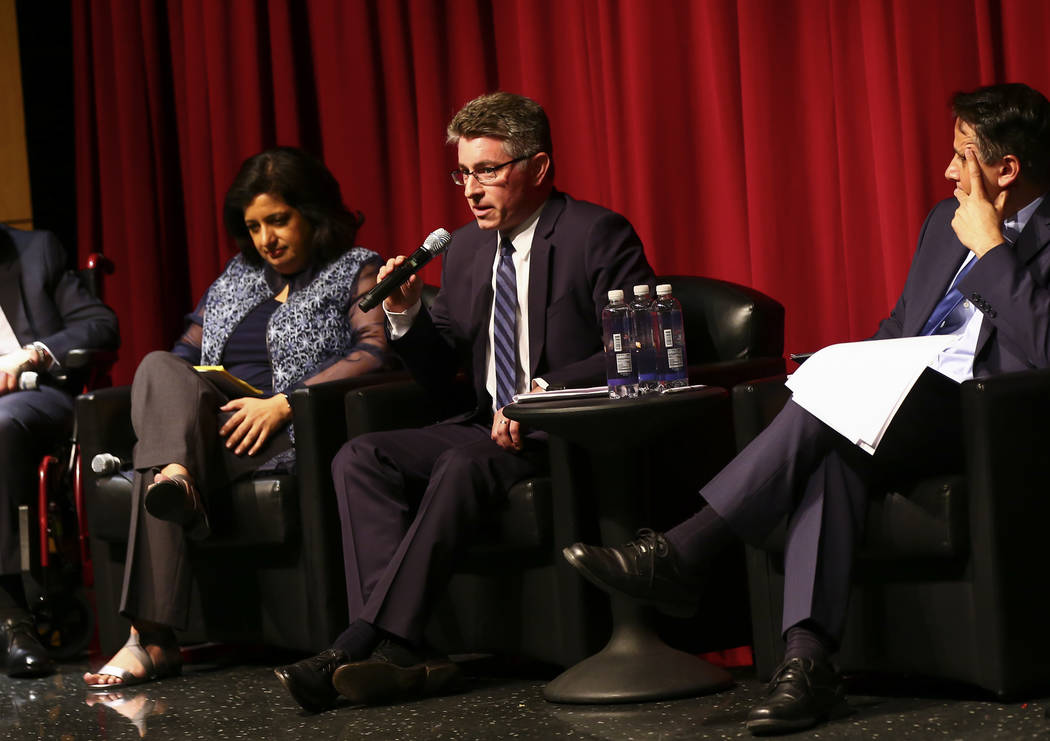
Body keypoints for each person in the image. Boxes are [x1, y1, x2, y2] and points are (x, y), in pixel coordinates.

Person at [561, 82, 1050, 736]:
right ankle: (807, 661)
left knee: (839, 410)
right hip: (901, 400)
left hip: (990, 417)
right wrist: (851, 359)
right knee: (836, 447)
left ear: (1006, 170)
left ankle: (686, 549)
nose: (949, 172)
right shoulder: (942, 220)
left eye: (963, 157)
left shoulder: (1019, 232)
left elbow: (1043, 346)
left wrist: (993, 250)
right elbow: (904, 325)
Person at [273, 91, 655, 712]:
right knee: (360, 457)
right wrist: (406, 317)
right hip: (484, 424)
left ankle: (364, 642)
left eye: (488, 171)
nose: (471, 190)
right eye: (464, 172)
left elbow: (635, 346)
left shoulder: (595, 233)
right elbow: (441, 371)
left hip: (565, 430)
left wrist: (544, 393)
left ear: (537, 168)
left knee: (461, 463)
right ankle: (406, 651)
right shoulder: (471, 250)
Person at [83, 147, 392, 688]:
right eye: (253, 227)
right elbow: (180, 358)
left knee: (148, 465)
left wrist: (284, 401)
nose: (266, 239)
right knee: (156, 364)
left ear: (311, 215)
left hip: (289, 430)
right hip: (210, 425)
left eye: (278, 220)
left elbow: (374, 352)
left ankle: (150, 639)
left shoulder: (355, 269)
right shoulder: (236, 278)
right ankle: (176, 472)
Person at [0, 224, 119, 678]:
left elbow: (101, 324)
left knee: (1, 424)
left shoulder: (35, 251)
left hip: (33, 400)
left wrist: (31, 355)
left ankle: (14, 620)